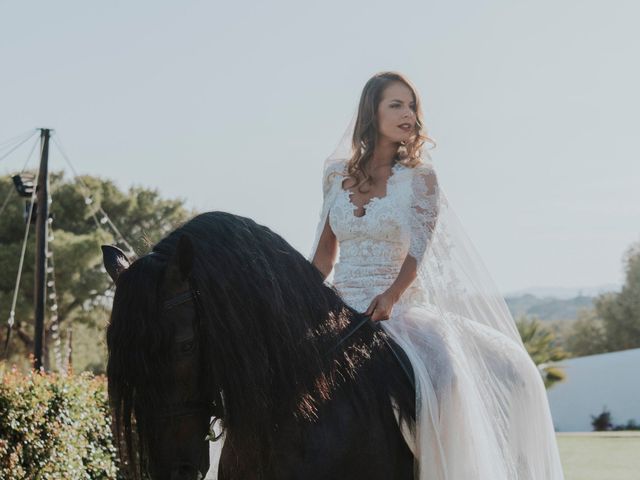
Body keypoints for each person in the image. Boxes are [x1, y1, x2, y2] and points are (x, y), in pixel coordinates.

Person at [308, 71, 565, 479]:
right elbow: (324, 254)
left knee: (439, 378)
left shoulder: (420, 179)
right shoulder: (335, 176)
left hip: (394, 308)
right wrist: (299, 298)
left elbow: (419, 251)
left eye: (412, 106)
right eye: (396, 104)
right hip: (338, 304)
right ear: (371, 112)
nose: (408, 114)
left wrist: (392, 295)